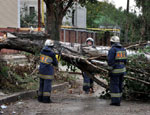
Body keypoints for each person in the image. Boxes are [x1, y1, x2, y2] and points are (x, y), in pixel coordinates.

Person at [108, 36, 127, 106]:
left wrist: (110, 70)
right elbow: (125, 60)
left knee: (114, 85)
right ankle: (119, 99)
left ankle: (115, 101)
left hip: (115, 71)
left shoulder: (112, 50)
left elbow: (110, 61)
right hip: (122, 70)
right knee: (120, 85)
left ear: (112, 42)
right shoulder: (123, 49)